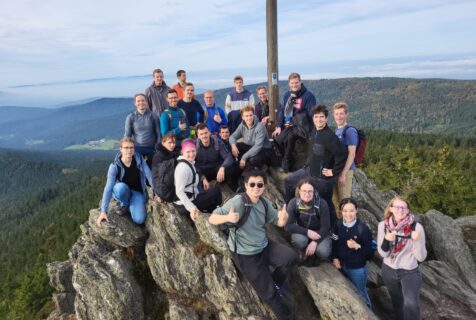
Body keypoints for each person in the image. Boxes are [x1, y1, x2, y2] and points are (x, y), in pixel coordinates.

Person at [209, 169, 298, 320]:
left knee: (291, 257)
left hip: (263, 245)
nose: (256, 187)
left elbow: (279, 222)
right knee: (271, 295)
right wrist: (228, 217)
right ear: (246, 185)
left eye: (259, 184)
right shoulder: (238, 201)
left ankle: (275, 281)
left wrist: (283, 218)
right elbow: (212, 218)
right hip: (246, 254)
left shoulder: (264, 203)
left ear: (264, 187)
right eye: (252, 184)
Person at [284, 105, 347, 228]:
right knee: (288, 181)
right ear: (313, 118)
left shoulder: (330, 137)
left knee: (326, 204)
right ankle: (290, 209)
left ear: (326, 119)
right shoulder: (314, 131)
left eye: (321, 117)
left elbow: (342, 154)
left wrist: (334, 172)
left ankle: (334, 229)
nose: (319, 120)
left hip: (322, 178)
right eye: (316, 117)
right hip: (308, 171)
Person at [377, 197, 427, 320]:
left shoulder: (416, 227)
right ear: (391, 209)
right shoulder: (383, 226)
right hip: (388, 270)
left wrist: (417, 241)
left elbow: (421, 257)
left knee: (411, 304)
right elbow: (383, 254)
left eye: (403, 208)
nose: (400, 210)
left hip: (409, 271)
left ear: (408, 210)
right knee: (397, 302)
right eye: (397, 207)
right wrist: (386, 240)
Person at [97, 137, 157, 226]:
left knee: (139, 220)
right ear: (121, 149)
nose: (129, 150)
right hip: (123, 191)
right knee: (120, 188)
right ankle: (125, 204)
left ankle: (131, 205)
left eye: (131, 147)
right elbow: (108, 188)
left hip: (137, 192)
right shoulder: (114, 166)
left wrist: (157, 193)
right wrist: (103, 211)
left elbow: (149, 176)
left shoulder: (139, 159)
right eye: (126, 147)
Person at [331, 198, 373, 308]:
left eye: (351, 210)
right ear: (341, 211)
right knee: (350, 293)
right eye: (345, 211)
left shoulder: (363, 229)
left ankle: (368, 311)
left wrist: (357, 246)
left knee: (361, 293)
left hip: (357, 269)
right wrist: (335, 258)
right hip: (341, 265)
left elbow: (369, 254)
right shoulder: (338, 225)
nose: (348, 214)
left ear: (356, 211)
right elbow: (334, 242)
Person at [272, 73, 316, 172]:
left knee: (290, 137)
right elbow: (282, 111)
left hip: (302, 127)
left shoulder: (308, 96)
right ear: (289, 84)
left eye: (296, 82)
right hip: (289, 125)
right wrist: (279, 126)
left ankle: (286, 164)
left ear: (300, 82)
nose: (294, 85)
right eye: (292, 83)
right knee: (277, 140)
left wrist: (295, 122)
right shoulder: (288, 95)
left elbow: (311, 115)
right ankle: (286, 162)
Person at [174, 139, 222, 221]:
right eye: (188, 152)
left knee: (209, 192)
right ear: (182, 152)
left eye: (193, 151)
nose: (191, 154)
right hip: (185, 205)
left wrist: (203, 178)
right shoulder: (183, 167)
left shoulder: (188, 162)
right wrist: (191, 208)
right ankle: (217, 214)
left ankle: (211, 211)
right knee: (216, 191)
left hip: (189, 198)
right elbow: (179, 191)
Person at [285, 179, 331, 260]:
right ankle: (302, 250)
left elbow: (326, 227)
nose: (307, 194)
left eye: (310, 191)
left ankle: (315, 255)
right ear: (299, 191)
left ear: (314, 192)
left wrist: (315, 242)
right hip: (303, 231)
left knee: (323, 252)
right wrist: (307, 232)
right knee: (299, 241)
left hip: (319, 232)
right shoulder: (293, 203)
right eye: (304, 191)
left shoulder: (322, 204)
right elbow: (288, 226)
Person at [195, 124, 240, 190]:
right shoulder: (195, 146)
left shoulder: (217, 141)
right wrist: (202, 177)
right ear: (198, 136)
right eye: (201, 134)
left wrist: (222, 167)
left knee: (233, 166)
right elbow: (193, 163)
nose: (204, 136)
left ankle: (232, 186)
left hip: (216, 169)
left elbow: (228, 156)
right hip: (202, 171)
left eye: (206, 133)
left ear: (209, 133)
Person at [332, 102, 358, 216]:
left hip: (345, 171)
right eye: (337, 114)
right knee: (336, 201)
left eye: (341, 114)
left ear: (346, 114)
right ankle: (340, 228)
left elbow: (352, 154)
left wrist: (343, 174)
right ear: (333, 115)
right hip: (337, 170)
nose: (339, 116)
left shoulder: (350, 131)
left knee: (345, 203)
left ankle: (348, 228)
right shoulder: (337, 130)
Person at [229, 106, 273, 170]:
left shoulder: (260, 127)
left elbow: (258, 146)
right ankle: (241, 167)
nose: (249, 118)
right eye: (246, 116)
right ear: (242, 117)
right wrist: (233, 145)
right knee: (235, 147)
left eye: (250, 115)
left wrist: (244, 157)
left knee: (253, 159)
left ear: (253, 115)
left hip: (264, 150)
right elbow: (232, 136)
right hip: (251, 146)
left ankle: (263, 168)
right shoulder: (242, 125)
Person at [124, 93, 161, 160]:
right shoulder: (130, 117)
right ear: (135, 103)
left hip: (152, 147)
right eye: (138, 101)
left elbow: (158, 132)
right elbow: (127, 135)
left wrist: (158, 147)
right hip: (137, 148)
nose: (141, 102)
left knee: (152, 168)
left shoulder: (153, 116)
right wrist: (127, 149)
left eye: (143, 100)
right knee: (138, 169)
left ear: (146, 102)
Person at [152, 133, 180, 203]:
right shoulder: (158, 156)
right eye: (169, 142)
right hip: (163, 185)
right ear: (163, 143)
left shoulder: (175, 153)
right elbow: (157, 175)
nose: (172, 145)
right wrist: (157, 193)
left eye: (174, 142)